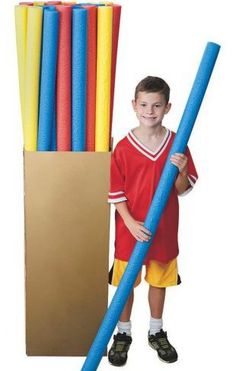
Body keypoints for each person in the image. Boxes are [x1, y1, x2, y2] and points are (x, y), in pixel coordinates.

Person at [107, 76, 198, 366]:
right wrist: (131, 223)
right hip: (129, 232)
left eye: (157, 105)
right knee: (125, 284)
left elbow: (182, 190)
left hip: (164, 231)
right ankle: (123, 333)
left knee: (159, 282)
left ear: (167, 107)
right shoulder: (123, 147)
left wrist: (182, 171)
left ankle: (156, 331)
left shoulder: (177, 143)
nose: (150, 111)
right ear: (134, 105)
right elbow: (115, 192)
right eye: (144, 104)